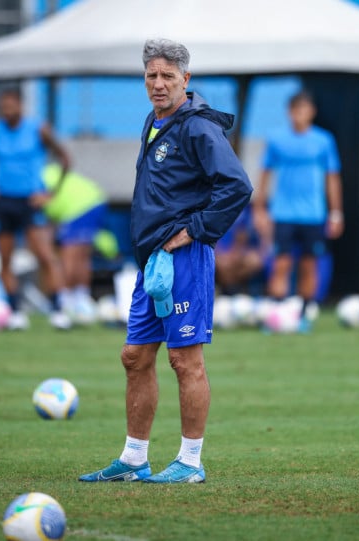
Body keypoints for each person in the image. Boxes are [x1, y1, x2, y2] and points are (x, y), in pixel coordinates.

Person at [79, 38, 252, 484]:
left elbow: (236, 186)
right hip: (153, 262)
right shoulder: (154, 121)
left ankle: (190, 463)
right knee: (135, 356)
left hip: (185, 260)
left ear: (186, 80)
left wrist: (194, 230)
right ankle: (135, 459)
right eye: (151, 75)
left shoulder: (197, 128)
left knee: (185, 361)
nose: (158, 84)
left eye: (168, 76)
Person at [0, 88, 72, 330]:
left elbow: (64, 158)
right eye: (3, 107)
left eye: (11, 106)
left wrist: (51, 192)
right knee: (5, 259)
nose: (7, 111)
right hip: (4, 201)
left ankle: (58, 309)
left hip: (30, 202)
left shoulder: (38, 130)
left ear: (21, 106)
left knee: (46, 257)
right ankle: (15, 311)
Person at [252, 91, 343, 332]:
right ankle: (275, 315)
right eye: (295, 110)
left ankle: (302, 316)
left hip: (313, 214)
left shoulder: (323, 141)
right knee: (281, 263)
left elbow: (332, 177)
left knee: (309, 265)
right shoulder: (277, 139)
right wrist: (260, 208)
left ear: (311, 112)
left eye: (304, 109)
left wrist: (336, 212)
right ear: (289, 112)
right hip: (283, 214)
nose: (299, 115)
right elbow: (265, 174)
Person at [41, 164, 119, 324]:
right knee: (81, 257)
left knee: (71, 257)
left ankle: (66, 304)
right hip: (94, 201)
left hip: (80, 207)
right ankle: (79, 300)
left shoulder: (34, 179)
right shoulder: (45, 172)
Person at [214, 205, 267, 295]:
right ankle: (227, 292)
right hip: (220, 252)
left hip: (242, 254)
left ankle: (237, 291)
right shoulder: (217, 208)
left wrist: (237, 254)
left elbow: (259, 242)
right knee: (221, 263)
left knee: (253, 261)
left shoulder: (250, 211)